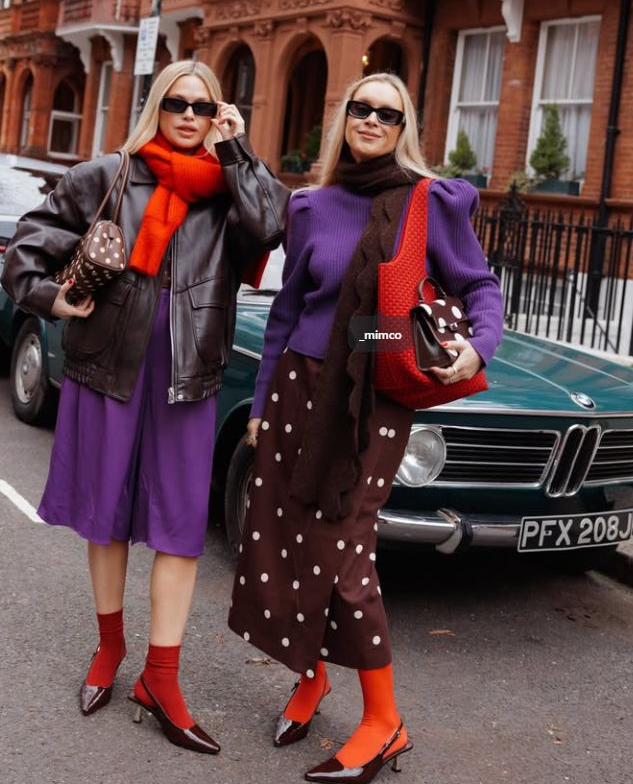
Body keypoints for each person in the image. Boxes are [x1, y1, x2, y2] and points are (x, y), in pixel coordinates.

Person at [2, 60, 288, 753]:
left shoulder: (230, 190)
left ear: (218, 115)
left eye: (203, 106)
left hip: (188, 377)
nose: (188, 115)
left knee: (179, 527)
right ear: (156, 107)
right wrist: (53, 299)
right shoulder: (108, 175)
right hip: (106, 368)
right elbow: (26, 248)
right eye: (176, 103)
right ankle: (110, 647)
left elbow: (271, 225)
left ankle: (161, 677)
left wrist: (237, 148)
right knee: (105, 516)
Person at [228, 72, 504, 783]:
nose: (372, 120)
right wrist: (258, 406)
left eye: (388, 112)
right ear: (344, 118)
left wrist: (479, 345)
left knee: (343, 550)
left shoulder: (427, 201)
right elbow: (286, 312)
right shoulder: (311, 206)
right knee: (284, 536)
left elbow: (479, 285)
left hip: (371, 400)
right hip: (297, 388)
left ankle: (385, 721)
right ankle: (311, 675)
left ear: (403, 126)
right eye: (361, 108)